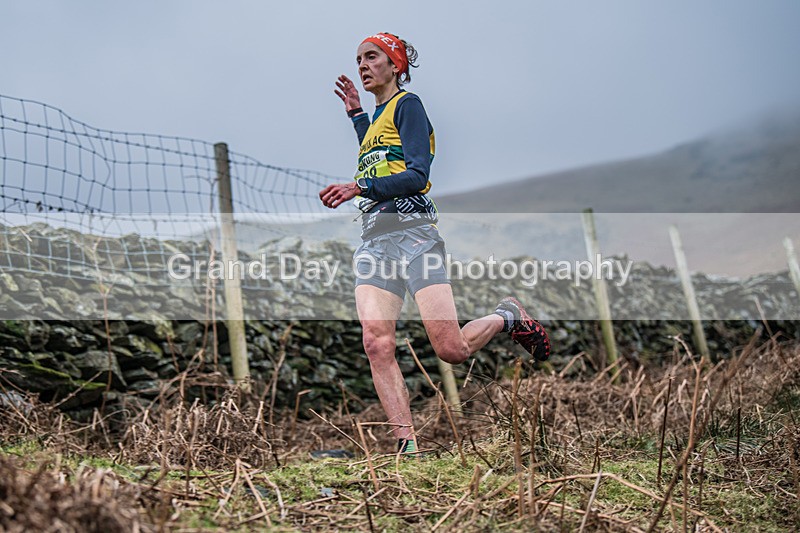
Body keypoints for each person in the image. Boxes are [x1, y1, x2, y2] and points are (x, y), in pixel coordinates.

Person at [319, 32, 550, 455]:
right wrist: (355, 114)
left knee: (452, 351)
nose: (363, 65)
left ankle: (507, 316)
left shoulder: (409, 106)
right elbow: (376, 151)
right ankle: (407, 446)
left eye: (372, 57)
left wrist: (357, 186)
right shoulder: (379, 117)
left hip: (414, 235)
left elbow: (416, 176)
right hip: (374, 241)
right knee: (376, 342)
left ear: (396, 65)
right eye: (358, 60)